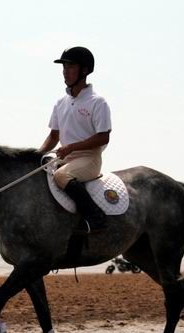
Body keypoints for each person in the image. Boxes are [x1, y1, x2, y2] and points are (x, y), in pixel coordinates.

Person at [38, 46, 111, 233]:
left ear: (84, 70)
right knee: (39, 173)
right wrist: (36, 156)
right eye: (64, 68)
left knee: (61, 176)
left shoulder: (97, 102)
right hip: (66, 156)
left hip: (89, 158)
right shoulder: (60, 103)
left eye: (70, 67)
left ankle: (96, 218)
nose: (65, 72)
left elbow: (104, 137)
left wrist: (72, 147)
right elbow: (54, 136)